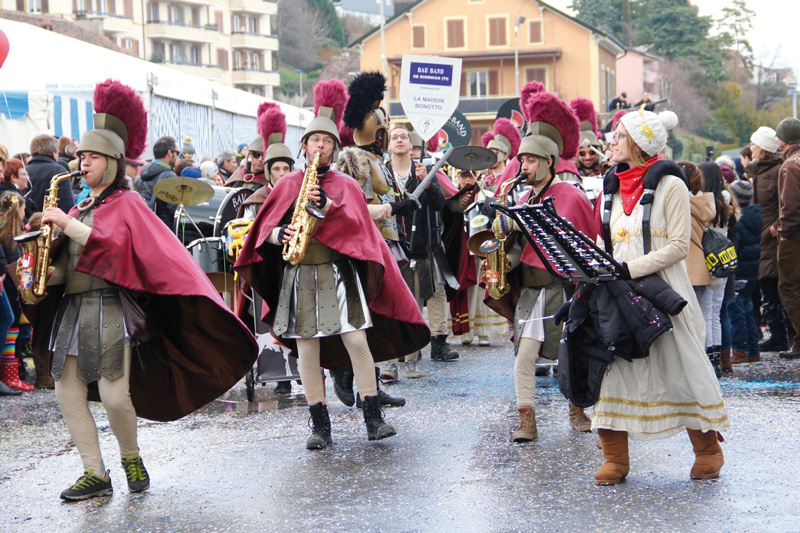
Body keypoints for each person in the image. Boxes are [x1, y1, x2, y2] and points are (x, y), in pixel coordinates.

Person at [25, 80, 257, 501]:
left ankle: (130, 455)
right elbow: (68, 264)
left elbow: (112, 248)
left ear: (113, 163)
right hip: (74, 309)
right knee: (65, 392)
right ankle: (94, 472)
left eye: (92, 156)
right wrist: (40, 271)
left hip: (112, 308)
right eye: (81, 155)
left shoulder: (128, 204)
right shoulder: (76, 207)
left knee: (115, 398)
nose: (83, 162)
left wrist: (64, 223)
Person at [235, 86, 429, 450]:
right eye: (314, 141)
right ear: (304, 147)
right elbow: (262, 232)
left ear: (334, 149)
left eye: (326, 141)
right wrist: (280, 233)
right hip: (300, 275)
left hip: (339, 274)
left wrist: (327, 207)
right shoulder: (290, 183)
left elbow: (359, 231)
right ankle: (319, 425)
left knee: (357, 341)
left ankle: (373, 418)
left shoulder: (345, 186)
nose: (320, 146)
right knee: (308, 351)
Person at [591, 108, 728, 485]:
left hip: (664, 291)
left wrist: (630, 269)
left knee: (681, 366)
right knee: (613, 370)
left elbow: (679, 247)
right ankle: (615, 458)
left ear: (638, 142)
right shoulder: (611, 185)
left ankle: (708, 450)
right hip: (618, 292)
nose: (611, 141)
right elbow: (610, 240)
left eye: (618, 135)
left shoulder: (672, 185)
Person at [483, 90, 595, 440]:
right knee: (524, 356)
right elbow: (518, 249)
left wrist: (521, 224)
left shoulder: (570, 195)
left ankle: (577, 409)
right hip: (531, 290)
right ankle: (526, 419)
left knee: (570, 354)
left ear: (549, 161)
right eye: (522, 161)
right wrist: (501, 251)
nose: (523, 168)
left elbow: (576, 243)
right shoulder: (524, 197)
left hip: (562, 287)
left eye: (530, 161)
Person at [384, 124, 457, 380]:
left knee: (415, 303)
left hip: (418, 246)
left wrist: (427, 183)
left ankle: (413, 358)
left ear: (411, 143)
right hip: (391, 245)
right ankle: (390, 362)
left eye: (404, 136)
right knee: (392, 304)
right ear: (388, 144)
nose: (400, 140)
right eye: (395, 137)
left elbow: (439, 204)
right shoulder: (383, 172)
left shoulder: (423, 171)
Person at [748, 127, 791, 353]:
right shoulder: (758, 171)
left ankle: (782, 334)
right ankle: (779, 333)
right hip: (761, 235)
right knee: (766, 283)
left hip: (773, 236)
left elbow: (787, 203)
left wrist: (776, 226)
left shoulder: (778, 170)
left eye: (754, 144)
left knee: (774, 284)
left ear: (762, 148)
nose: (751, 147)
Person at [698, 162, 736, 363]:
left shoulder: (703, 202)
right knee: (716, 311)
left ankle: (708, 357)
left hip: (706, 259)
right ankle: (719, 358)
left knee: (705, 311)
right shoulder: (726, 201)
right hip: (722, 260)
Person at [678, 161, 715, 332]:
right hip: (700, 269)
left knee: (685, 325)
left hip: (683, 267)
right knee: (701, 318)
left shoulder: (681, 204)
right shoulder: (704, 202)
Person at [728, 180, 761, 366]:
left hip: (739, 270)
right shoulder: (756, 216)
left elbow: (735, 247)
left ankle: (740, 350)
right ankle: (753, 350)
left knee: (736, 311)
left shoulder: (738, 220)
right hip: (752, 270)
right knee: (748, 310)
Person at [775, 117, 800, 359]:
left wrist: (784, 233)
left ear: (784, 140)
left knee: (789, 286)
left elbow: (790, 207)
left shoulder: (790, 166)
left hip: (794, 237)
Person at [134, 136, 178, 228]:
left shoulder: (139, 178)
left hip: (144, 228)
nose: (177, 156)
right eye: (177, 152)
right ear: (170, 152)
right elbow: (173, 209)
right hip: (163, 230)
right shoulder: (170, 177)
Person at [27, 134, 75, 214]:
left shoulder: (24, 171)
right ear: (53, 153)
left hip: (28, 224)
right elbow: (68, 206)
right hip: (53, 222)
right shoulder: (59, 171)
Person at [480, 118, 521, 192]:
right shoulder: (486, 181)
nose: (491, 157)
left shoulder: (511, 180)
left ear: (504, 156)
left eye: (494, 153)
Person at [570, 97, 604, 177]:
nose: (587, 157)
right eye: (582, 153)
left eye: (592, 152)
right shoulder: (571, 174)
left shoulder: (605, 170)